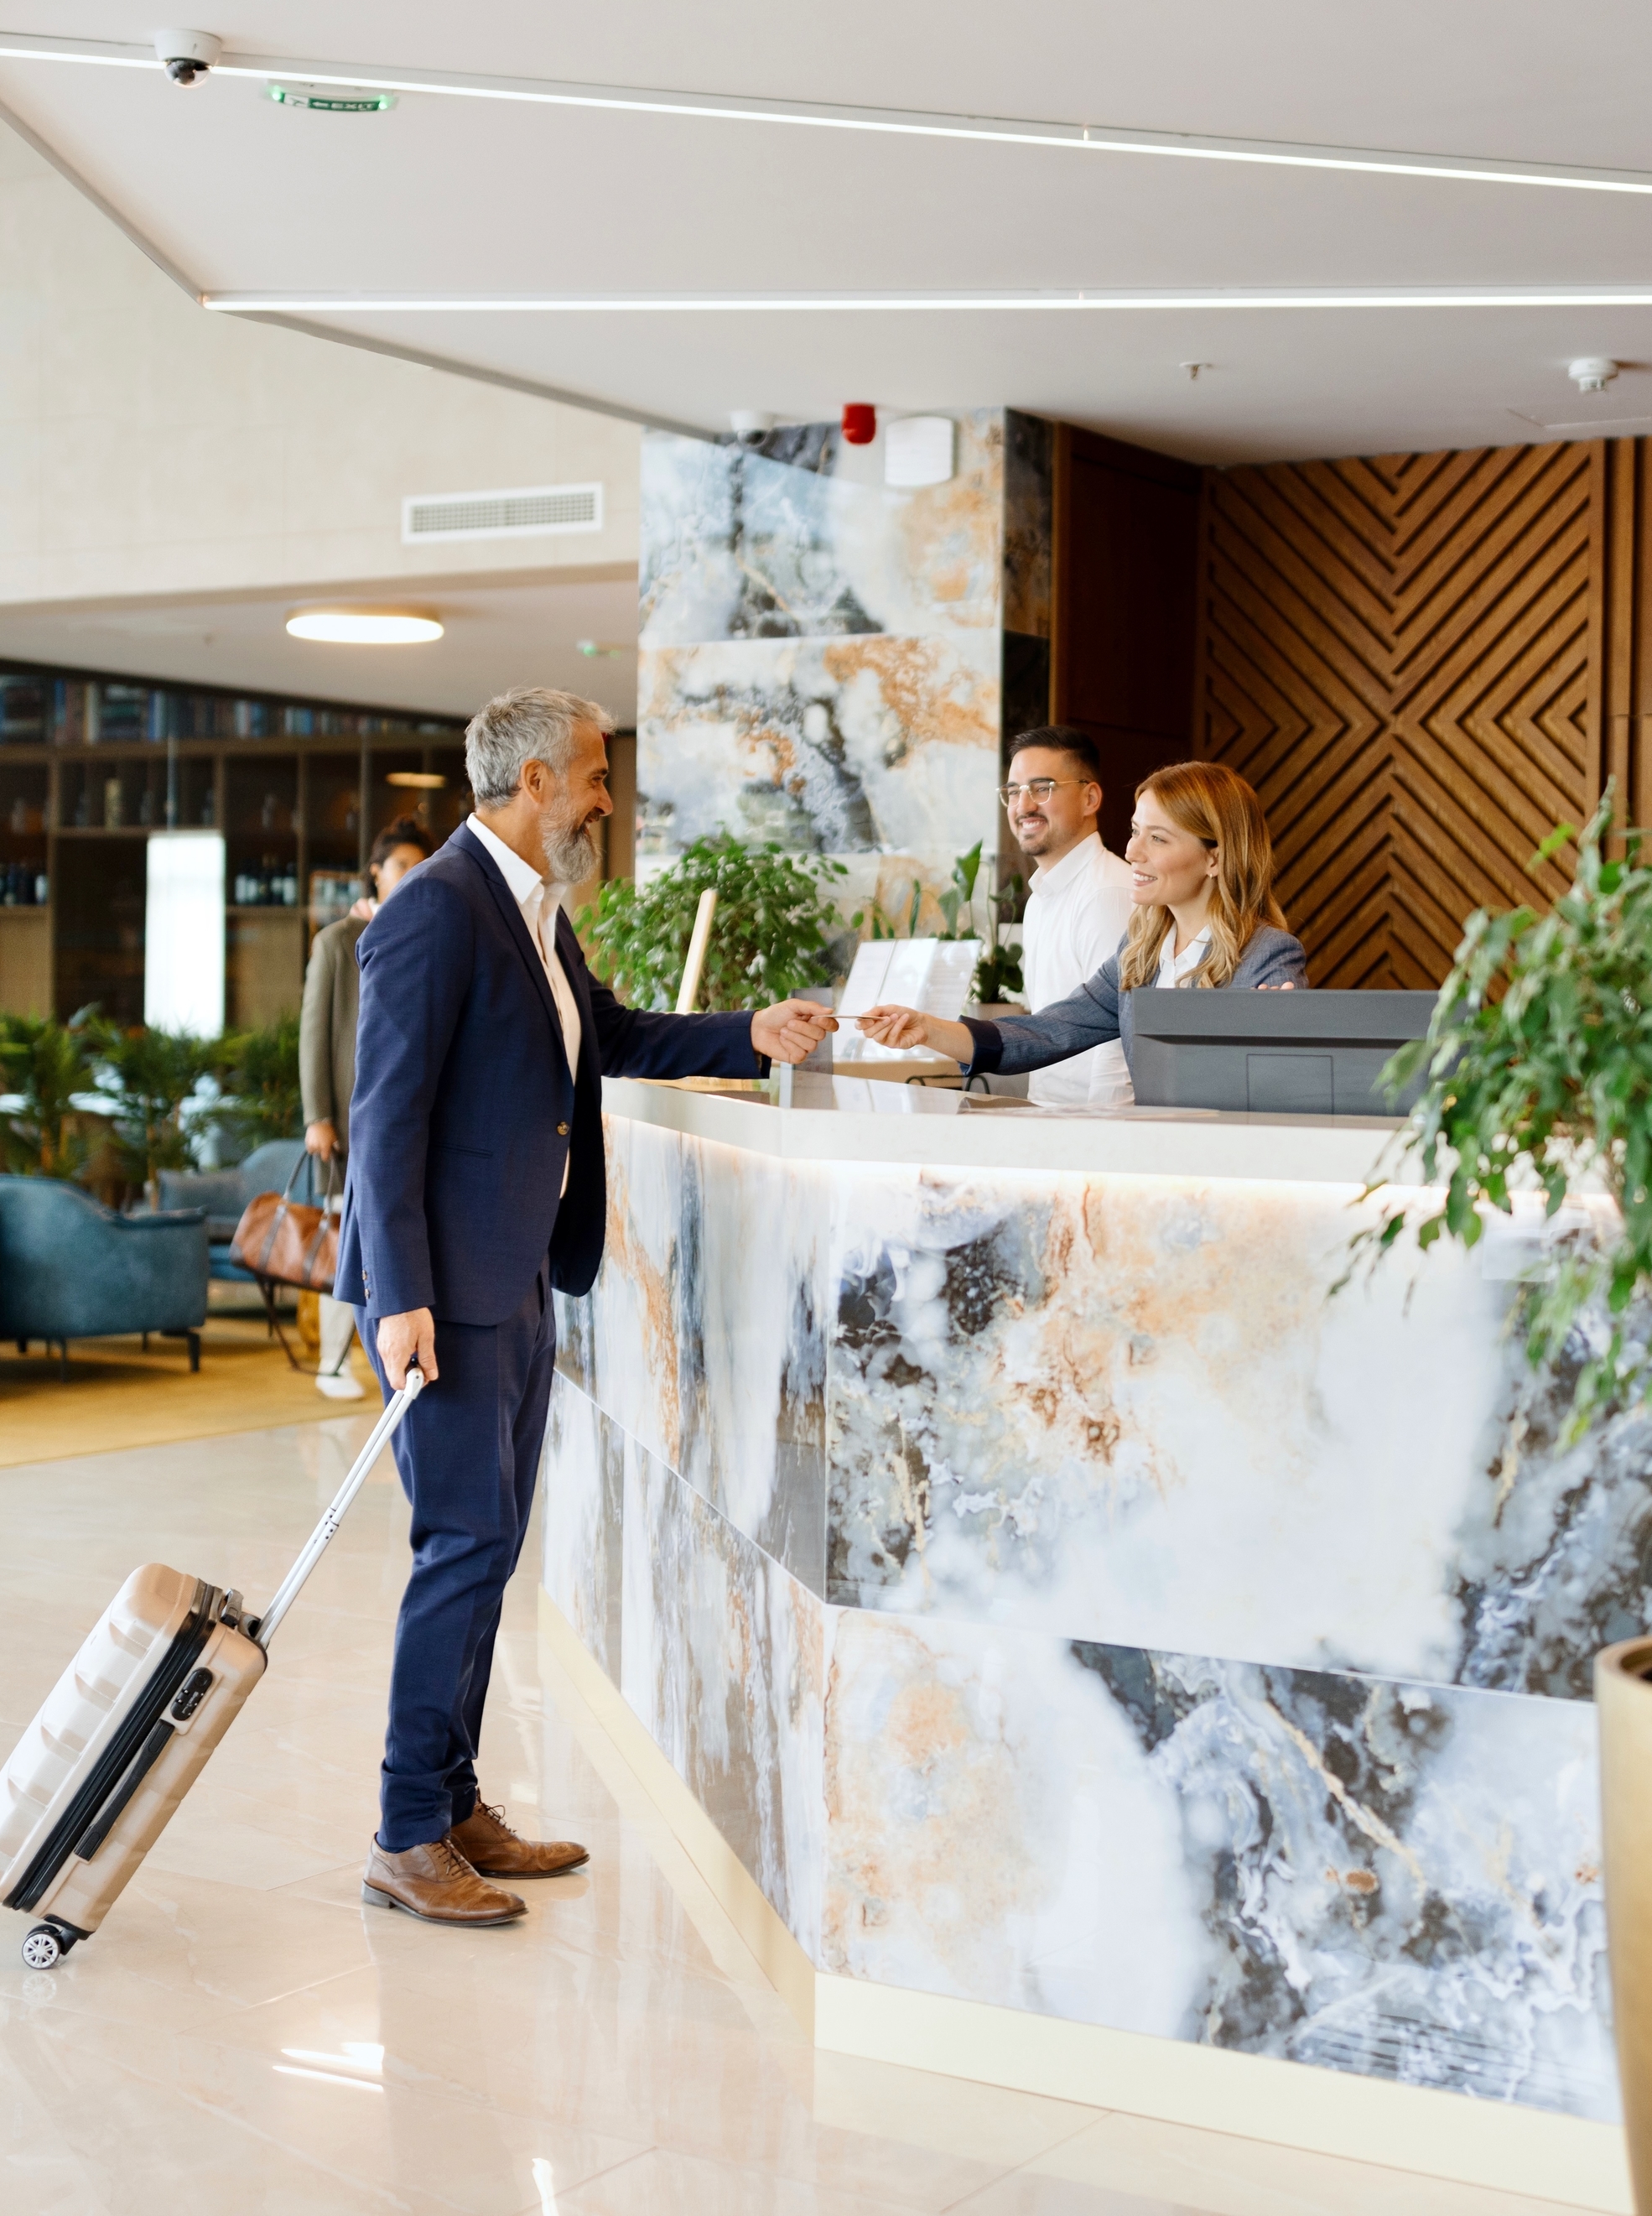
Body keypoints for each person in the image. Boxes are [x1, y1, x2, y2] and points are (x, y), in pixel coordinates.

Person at [345, 685, 834, 1930]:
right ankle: (406, 1833)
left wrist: (749, 1033)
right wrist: (397, 1296)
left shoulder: (532, 911)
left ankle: (451, 1804)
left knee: (490, 1550)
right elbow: (384, 1123)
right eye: (595, 775)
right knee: (458, 1550)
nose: (609, 798)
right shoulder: (434, 914)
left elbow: (605, 1036)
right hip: (442, 1298)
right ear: (532, 784)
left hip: (512, 1280)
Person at [858, 760, 1302, 1076]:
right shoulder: (1140, 952)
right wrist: (927, 1028)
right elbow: (1046, 1033)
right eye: (1134, 831)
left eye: (1159, 839)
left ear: (1214, 859)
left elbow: (1272, 1085)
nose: (1132, 852)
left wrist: (1280, 1041)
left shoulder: (1266, 954)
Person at [299, 819, 435, 1401]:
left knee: (381, 1245)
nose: (409, 875)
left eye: (418, 865)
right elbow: (314, 1033)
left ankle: (362, 1355)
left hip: (400, 1126)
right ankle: (332, 1361)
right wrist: (317, 1115)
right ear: (376, 872)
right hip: (347, 1125)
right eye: (400, 864)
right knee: (344, 1241)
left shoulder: (427, 936)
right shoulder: (337, 941)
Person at [1000, 724, 1140, 1108]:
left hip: (1092, 1129)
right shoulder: (1039, 898)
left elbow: (1119, 1035)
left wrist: (1101, 1144)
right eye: (1013, 792)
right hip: (1051, 1120)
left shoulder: (1108, 891)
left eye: (1042, 788)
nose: (1023, 805)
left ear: (1090, 797)